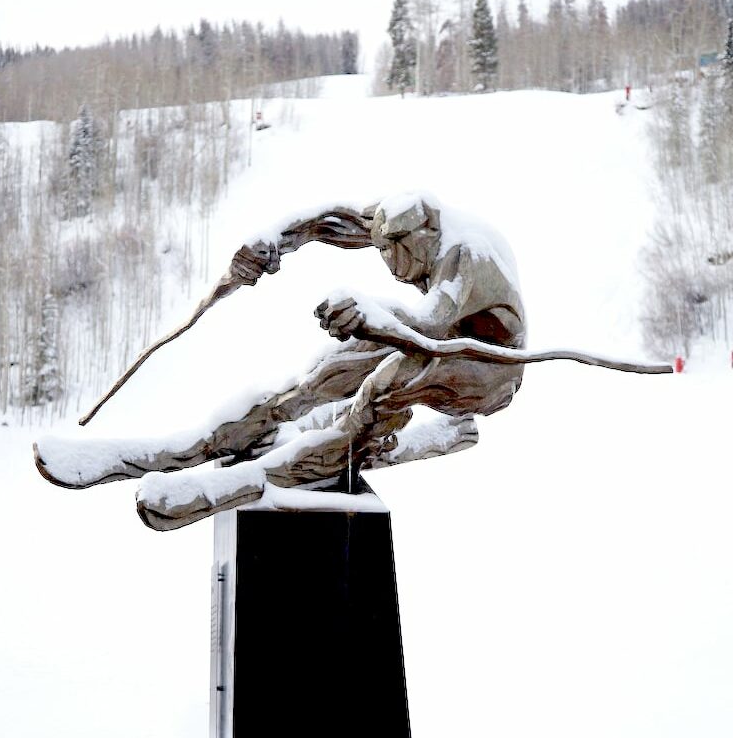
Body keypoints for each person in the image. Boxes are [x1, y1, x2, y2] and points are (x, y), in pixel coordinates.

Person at [35, 194, 527, 529]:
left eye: (401, 250)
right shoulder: (399, 219)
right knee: (321, 377)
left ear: (427, 232)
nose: (393, 262)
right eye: (383, 248)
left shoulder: (466, 254)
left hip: (486, 367)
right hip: (428, 337)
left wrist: (370, 315)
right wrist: (273, 242)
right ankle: (190, 448)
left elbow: (430, 322)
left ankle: (250, 479)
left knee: (382, 387)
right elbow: (329, 223)